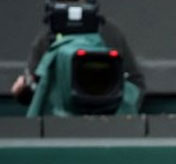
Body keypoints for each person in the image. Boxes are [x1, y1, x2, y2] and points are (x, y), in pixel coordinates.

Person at [10, 2, 146, 108]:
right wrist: (23, 91)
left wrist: (119, 110)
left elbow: (135, 83)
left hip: (108, 121)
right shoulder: (46, 39)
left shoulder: (110, 33)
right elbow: (32, 90)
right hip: (57, 124)